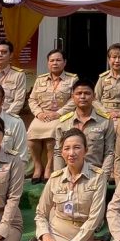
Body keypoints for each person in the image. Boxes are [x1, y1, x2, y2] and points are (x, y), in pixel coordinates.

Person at [18, 129, 107, 241]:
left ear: (85, 150)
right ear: (62, 152)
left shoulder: (97, 177)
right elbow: (41, 213)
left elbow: (95, 219)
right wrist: (46, 238)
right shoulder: (55, 178)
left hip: (80, 238)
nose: (71, 153)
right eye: (67, 148)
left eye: (77, 147)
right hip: (54, 234)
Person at [27, 48, 78, 184]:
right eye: (52, 60)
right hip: (42, 115)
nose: (55, 63)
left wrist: (58, 113)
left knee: (52, 135)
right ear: (48, 63)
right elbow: (32, 99)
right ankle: (38, 166)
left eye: (58, 60)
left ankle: (49, 166)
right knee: (32, 136)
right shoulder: (40, 79)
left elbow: (74, 100)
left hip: (61, 115)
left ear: (64, 62)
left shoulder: (72, 79)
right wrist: (39, 113)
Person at [52, 80, 115, 182]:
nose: (82, 97)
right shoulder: (63, 122)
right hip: (69, 175)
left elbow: (110, 152)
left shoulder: (105, 121)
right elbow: (58, 153)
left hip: (95, 176)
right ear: (72, 97)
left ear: (94, 96)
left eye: (87, 93)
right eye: (78, 93)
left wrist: (103, 177)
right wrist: (58, 178)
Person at [94, 43, 120, 119]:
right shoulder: (102, 78)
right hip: (105, 116)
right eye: (114, 57)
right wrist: (106, 113)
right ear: (109, 59)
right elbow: (95, 100)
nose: (117, 60)